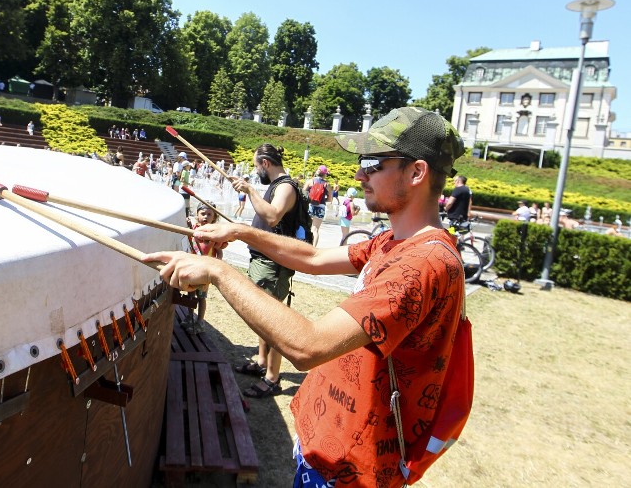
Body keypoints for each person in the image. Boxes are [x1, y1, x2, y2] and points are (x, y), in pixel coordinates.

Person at [144, 107, 467, 487]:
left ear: (416, 172)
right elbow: (313, 258)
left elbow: (307, 347)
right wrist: (240, 233)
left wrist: (217, 271)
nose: (359, 174)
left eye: (373, 164)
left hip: (350, 470)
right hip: (327, 447)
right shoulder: (395, 242)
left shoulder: (424, 262)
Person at [210, 144, 301, 399]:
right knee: (262, 318)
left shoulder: (285, 186)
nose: (255, 170)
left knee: (272, 322)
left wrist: (249, 189)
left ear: (265, 163)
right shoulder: (276, 185)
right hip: (264, 261)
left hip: (273, 266)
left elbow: (272, 217)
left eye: (256, 165)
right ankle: (262, 363)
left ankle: (272, 378)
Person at [181, 202, 224, 334]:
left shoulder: (214, 233)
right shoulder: (194, 228)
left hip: (205, 270)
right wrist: (188, 224)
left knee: (201, 297)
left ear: (214, 217)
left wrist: (217, 263)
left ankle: (200, 321)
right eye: (202, 214)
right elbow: (187, 237)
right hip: (193, 267)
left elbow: (219, 251)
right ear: (197, 215)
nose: (205, 217)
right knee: (190, 294)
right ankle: (190, 316)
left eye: (209, 214)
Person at [302, 165, 331, 248]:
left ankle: (305, 245)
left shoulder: (310, 181)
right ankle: (313, 248)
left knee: (307, 226)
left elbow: (303, 194)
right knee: (315, 229)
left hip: (310, 205)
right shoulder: (327, 184)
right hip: (320, 207)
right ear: (325, 174)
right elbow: (330, 199)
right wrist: (322, 200)